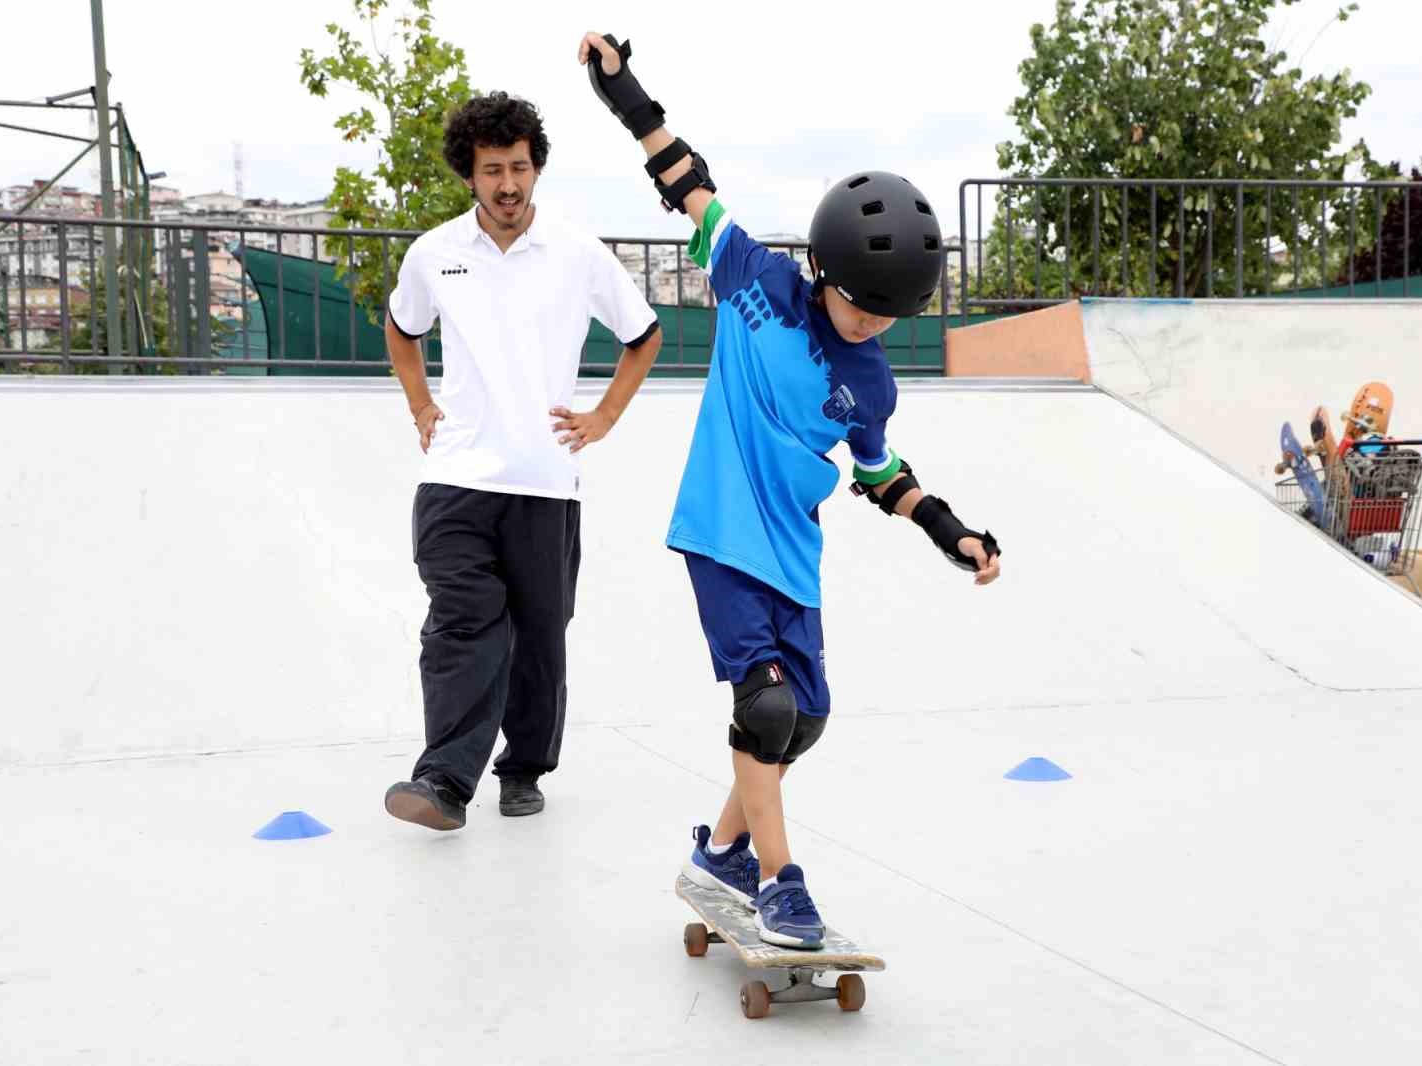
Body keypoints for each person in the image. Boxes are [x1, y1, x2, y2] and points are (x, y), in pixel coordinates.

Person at [577, 33, 1002, 946]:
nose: (872, 324)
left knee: (803, 721)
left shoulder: (874, 382)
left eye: (891, 315)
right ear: (824, 269)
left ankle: (721, 853)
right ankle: (781, 883)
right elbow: (684, 180)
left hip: (792, 556)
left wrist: (953, 530)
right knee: (762, 707)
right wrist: (624, 91)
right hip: (719, 531)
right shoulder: (755, 281)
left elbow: (882, 474)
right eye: (861, 306)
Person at [382, 91, 663, 831]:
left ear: (536, 168)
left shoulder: (577, 251)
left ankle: (526, 766)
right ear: (468, 176)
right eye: (491, 170)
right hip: (455, 478)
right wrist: (420, 406)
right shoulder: (434, 254)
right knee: (462, 622)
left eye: (518, 167)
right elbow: (401, 328)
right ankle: (443, 779)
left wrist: (603, 416)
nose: (507, 184)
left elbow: (645, 334)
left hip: (545, 483)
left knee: (540, 636)